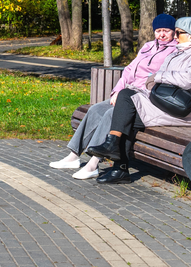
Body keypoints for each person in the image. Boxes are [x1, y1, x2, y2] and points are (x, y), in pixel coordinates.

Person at [87, 16, 191, 184]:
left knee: (129, 114)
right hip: (165, 101)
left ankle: (119, 164)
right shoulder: (179, 52)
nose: (175, 36)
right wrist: (154, 81)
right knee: (126, 95)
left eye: (178, 33)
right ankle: (115, 154)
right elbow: (156, 78)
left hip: (183, 109)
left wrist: (160, 76)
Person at [50, 14, 178, 179]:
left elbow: (160, 79)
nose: (161, 35)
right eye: (158, 30)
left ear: (174, 32)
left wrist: (131, 92)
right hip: (127, 91)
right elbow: (128, 70)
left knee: (111, 114)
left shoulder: (174, 52)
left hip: (143, 95)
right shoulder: (148, 46)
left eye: (166, 31)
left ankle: (93, 164)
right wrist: (117, 91)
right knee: (96, 109)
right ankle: (73, 156)